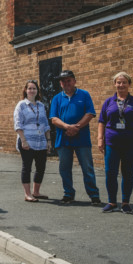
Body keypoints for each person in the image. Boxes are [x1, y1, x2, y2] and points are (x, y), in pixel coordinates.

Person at [97, 72, 133, 214]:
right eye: (118, 82)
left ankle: (125, 202)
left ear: (129, 84)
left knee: (128, 173)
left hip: (131, 144)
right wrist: (100, 139)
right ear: (114, 84)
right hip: (112, 143)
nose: (121, 85)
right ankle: (112, 202)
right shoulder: (108, 102)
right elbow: (102, 122)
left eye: (124, 82)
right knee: (110, 173)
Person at [49, 70, 101, 205]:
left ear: (74, 81)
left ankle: (94, 195)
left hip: (82, 137)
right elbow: (54, 119)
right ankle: (68, 194)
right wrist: (67, 127)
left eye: (69, 80)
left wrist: (76, 127)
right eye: (63, 81)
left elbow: (90, 113)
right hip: (63, 137)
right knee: (64, 168)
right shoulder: (57, 98)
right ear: (60, 84)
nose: (66, 83)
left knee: (87, 167)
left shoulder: (84, 95)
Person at [13, 80, 52, 202]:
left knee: (41, 167)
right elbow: (18, 124)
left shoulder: (41, 105)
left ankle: (36, 192)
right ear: (25, 90)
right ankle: (27, 194)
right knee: (27, 167)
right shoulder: (21, 105)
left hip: (41, 141)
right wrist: (23, 140)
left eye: (34, 88)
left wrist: (48, 140)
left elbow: (45, 124)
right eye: (29, 88)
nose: (32, 90)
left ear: (37, 91)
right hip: (27, 141)